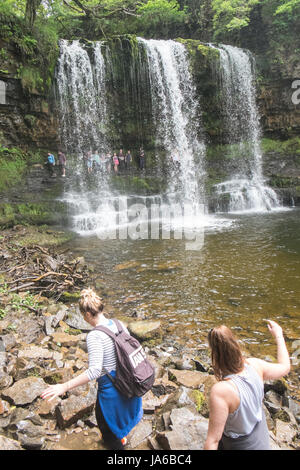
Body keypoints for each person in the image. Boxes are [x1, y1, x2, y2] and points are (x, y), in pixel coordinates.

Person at [41, 288, 143, 450]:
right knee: (122, 418)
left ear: (87, 315)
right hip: (129, 384)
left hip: (112, 391)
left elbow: (95, 371)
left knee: (107, 429)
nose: (84, 319)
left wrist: (64, 386)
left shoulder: (95, 336)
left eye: (83, 316)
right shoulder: (119, 324)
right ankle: (121, 437)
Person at [204, 320, 290, 450]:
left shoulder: (221, 391)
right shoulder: (255, 365)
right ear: (235, 344)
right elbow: (285, 367)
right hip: (261, 441)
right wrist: (278, 334)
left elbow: (213, 441)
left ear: (214, 355)